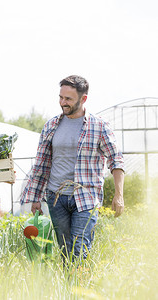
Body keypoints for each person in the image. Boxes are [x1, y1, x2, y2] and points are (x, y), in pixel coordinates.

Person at [20, 75, 124, 262]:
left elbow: (116, 160)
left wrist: (119, 194)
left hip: (86, 196)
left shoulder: (99, 126)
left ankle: (80, 288)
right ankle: (69, 290)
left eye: (68, 99)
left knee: (80, 248)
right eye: (61, 97)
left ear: (83, 99)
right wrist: (35, 197)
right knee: (65, 251)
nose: (63, 103)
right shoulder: (51, 125)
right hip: (56, 197)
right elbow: (41, 163)